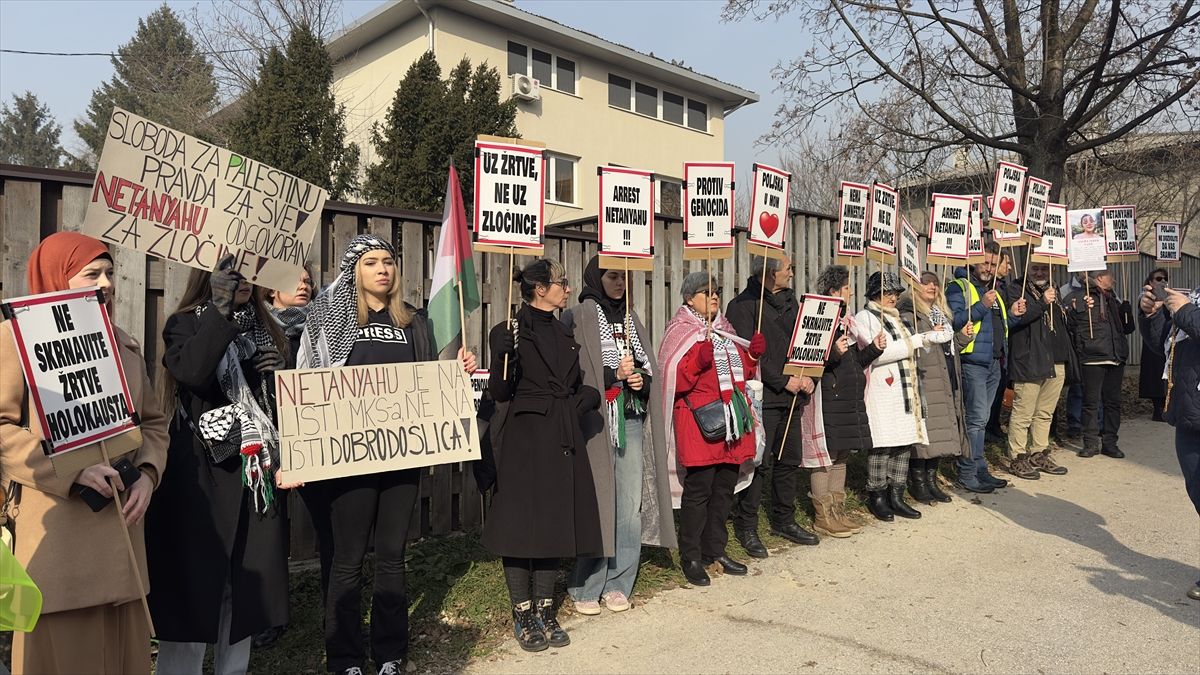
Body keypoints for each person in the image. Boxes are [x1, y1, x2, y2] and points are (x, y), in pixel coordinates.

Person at [297, 235, 476, 675]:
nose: (383, 269)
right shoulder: (331, 318)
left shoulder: (413, 320)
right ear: (353, 270)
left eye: (389, 261)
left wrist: (456, 373)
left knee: (394, 554)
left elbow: (427, 382)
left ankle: (390, 654)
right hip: (348, 459)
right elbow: (308, 377)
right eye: (372, 262)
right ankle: (344, 658)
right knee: (348, 559)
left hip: (400, 457)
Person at [0, 232, 168, 675]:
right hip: (60, 549)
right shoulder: (14, 341)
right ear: (56, 279)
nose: (107, 283)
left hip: (123, 545)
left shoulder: (125, 345)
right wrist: (71, 471)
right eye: (92, 273)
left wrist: (149, 474)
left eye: (110, 272)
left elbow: (153, 422)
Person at [148, 254, 292, 674]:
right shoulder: (185, 322)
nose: (244, 280)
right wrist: (221, 310)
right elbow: (192, 371)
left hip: (253, 476)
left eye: (251, 273)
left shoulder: (269, 329)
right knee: (194, 594)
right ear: (211, 276)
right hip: (202, 479)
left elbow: (285, 407)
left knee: (243, 593)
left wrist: (281, 374)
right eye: (234, 272)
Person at [484, 258, 601, 652]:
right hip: (525, 438)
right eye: (561, 283)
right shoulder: (509, 330)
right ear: (540, 288)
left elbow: (574, 384)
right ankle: (523, 614)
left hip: (560, 437)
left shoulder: (564, 330)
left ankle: (546, 612)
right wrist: (500, 353)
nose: (567, 289)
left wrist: (583, 399)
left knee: (552, 522)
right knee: (519, 527)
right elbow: (501, 393)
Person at [563, 256, 677, 615]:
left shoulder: (630, 317)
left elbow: (646, 365)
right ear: (597, 277)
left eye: (624, 276)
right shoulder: (580, 314)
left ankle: (618, 582)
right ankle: (586, 584)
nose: (620, 283)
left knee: (629, 507)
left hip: (629, 418)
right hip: (595, 423)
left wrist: (642, 379)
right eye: (613, 275)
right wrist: (612, 375)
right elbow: (576, 370)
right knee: (599, 503)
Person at [658, 272, 763, 586]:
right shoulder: (681, 331)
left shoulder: (725, 330)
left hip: (731, 423)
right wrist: (699, 358)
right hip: (699, 423)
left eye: (716, 291)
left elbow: (740, 372)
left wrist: (752, 355)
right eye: (706, 292)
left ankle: (714, 550)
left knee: (723, 491)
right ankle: (691, 555)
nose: (714, 296)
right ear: (690, 298)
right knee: (699, 492)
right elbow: (675, 379)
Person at [725, 255, 818, 553]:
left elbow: (809, 343)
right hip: (762, 397)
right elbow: (747, 353)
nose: (792, 273)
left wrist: (810, 375)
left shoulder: (795, 304)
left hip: (794, 394)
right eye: (787, 268)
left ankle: (784, 519)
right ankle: (747, 525)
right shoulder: (743, 306)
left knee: (788, 460)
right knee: (759, 464)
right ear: (768, 274)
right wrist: (781, 380)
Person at [254, 264, 316, 650]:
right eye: (296, 280)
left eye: (309, 280)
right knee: (269, 528)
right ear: (272, 289)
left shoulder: (323, 328)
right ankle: (269, 615)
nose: (305, 285)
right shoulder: (257, 328)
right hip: (270, 441)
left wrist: (290, 366)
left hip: (313, 439)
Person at [946, 242, 1026, 493]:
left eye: (993, 264)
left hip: (994, 362)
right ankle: (967, 472)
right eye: (985, 263)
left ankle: (980, 469)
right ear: (973, 260)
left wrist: (1012, 314)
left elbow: (997, 327)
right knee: (975, 419)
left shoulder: (992, 289)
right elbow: (956, 320)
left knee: (983, 419)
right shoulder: (959, 286)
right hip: (973, 363)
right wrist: (981, 304)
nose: (989, 269)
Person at [1138, 283, 1200, 600]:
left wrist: (1186, 310)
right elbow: (1164, 343)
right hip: (1189, 412)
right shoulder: (1195, 294)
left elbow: (1192, 321)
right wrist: (1151, 315)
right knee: (1197, 492)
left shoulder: (1191, 303)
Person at [853, 272, 931, 521]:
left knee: (903, 441)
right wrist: (913, 343)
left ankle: (896, 493)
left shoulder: (900, 319)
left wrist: (928, 338)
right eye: (888, 293)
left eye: (896, 293)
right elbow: (875, 353)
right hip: (881, 389)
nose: (893, 298)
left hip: (904, 388)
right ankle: (877, 494)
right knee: (882, 443)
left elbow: (913, 346)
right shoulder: (864, 317)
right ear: (876, 293)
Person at [811, 265, 880, 535]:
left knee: (842, 455)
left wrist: (873, 349)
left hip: (849, 397)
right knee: (825, 457)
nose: (851, 291)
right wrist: (833, 355)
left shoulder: (847, 322)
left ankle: (837, 510)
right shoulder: (820, 317)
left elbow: (855, 361)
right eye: (847, 287)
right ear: (834, 291)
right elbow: (812, 358)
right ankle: (823, 516)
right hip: (831, 395)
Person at [898, 272, 970, 504]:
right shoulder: (910, 315)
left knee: (941, 433)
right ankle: (918, 482)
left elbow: (946, 349)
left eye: (935, 283)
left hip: (945, 377)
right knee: (927, 434)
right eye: (925, 282)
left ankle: (931, 480)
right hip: (926, 378)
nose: (932, 286)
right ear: (914, 287)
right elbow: (914, 347)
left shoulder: (940, 315)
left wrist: (961, 338)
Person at [1002, 261, 1072, 479]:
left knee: (1044, 412)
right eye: (1035, 268)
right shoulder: (1016, 288)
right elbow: (1018, 318)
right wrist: (1042, 302)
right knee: (1023, 412)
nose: (1040, 272)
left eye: (1044, 268)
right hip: (1029, 359)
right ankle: (1017, 456)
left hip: (1055, 359)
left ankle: (1039, 453)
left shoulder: (1055, 289)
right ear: (1026, 269)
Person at [1064, 268, 1135, 458]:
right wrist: (1078, 308)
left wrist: (1126, 311)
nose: (1114, 278)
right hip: (1092, 357)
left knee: (1113, 403)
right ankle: (1090, 443)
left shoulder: (1115, 299)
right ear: (1100, 278)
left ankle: (1110, 442)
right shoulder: (1080, 296)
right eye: (1110, 275)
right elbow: (1070, 325)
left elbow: (1128, 328)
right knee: (1091, 402)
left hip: (1115, 356)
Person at [1139, 268, 1171, 421]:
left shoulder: (1170, 296)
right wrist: (1150, 309)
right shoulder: (1147, 296)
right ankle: (1157, 408)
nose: (1162, 281)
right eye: (1158, 279)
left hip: (1167, 340)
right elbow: (1144, 306)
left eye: (1165, 278)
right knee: (1153, 377)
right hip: (1153, 343)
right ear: (1150, 281)